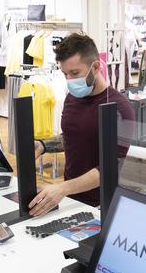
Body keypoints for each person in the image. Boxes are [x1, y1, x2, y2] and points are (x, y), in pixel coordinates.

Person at [30, 34, 135, 216]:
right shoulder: (72, 97)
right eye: (65, 74)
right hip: (70, 199)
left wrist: (62, 188)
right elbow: (73, 136)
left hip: (101, 205)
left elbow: (110, 167)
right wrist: (44, 145)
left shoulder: (120, 108)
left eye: (75, 73)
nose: (70, 80)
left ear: (95, 67)